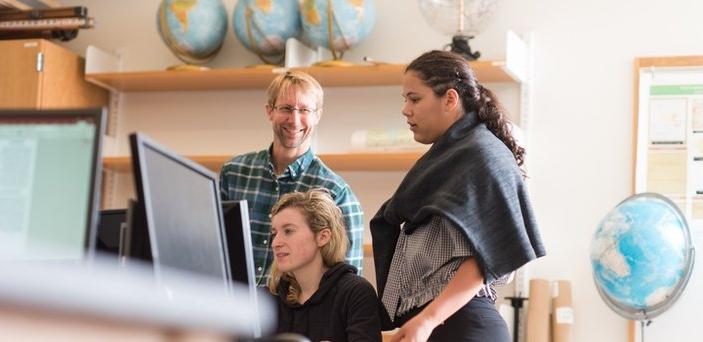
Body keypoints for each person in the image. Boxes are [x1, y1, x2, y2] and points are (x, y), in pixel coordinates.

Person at [371, 50, 546, 342]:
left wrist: (427, 320)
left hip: (459, 327)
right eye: (405, 100)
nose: (406, 110)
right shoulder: (451, 158)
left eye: (415, 99)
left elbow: (483, 259)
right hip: (438, 325)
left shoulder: (480, 155)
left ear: (450, 99)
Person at [219, 71, 364, 285]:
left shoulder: (336, 192)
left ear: (317, 115)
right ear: (270, 111)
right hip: (232, 310)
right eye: (286, 108)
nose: (294, 120)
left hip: (297, 316)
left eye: (304, 110)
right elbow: (210, 246)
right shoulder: (233, 173)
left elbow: (347, 284)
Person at [268, 189, 381, 342]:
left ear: (322, 237)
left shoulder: (356, 292)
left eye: (288, 231)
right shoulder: (268, 297)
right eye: (274, 233)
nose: (275, 243)